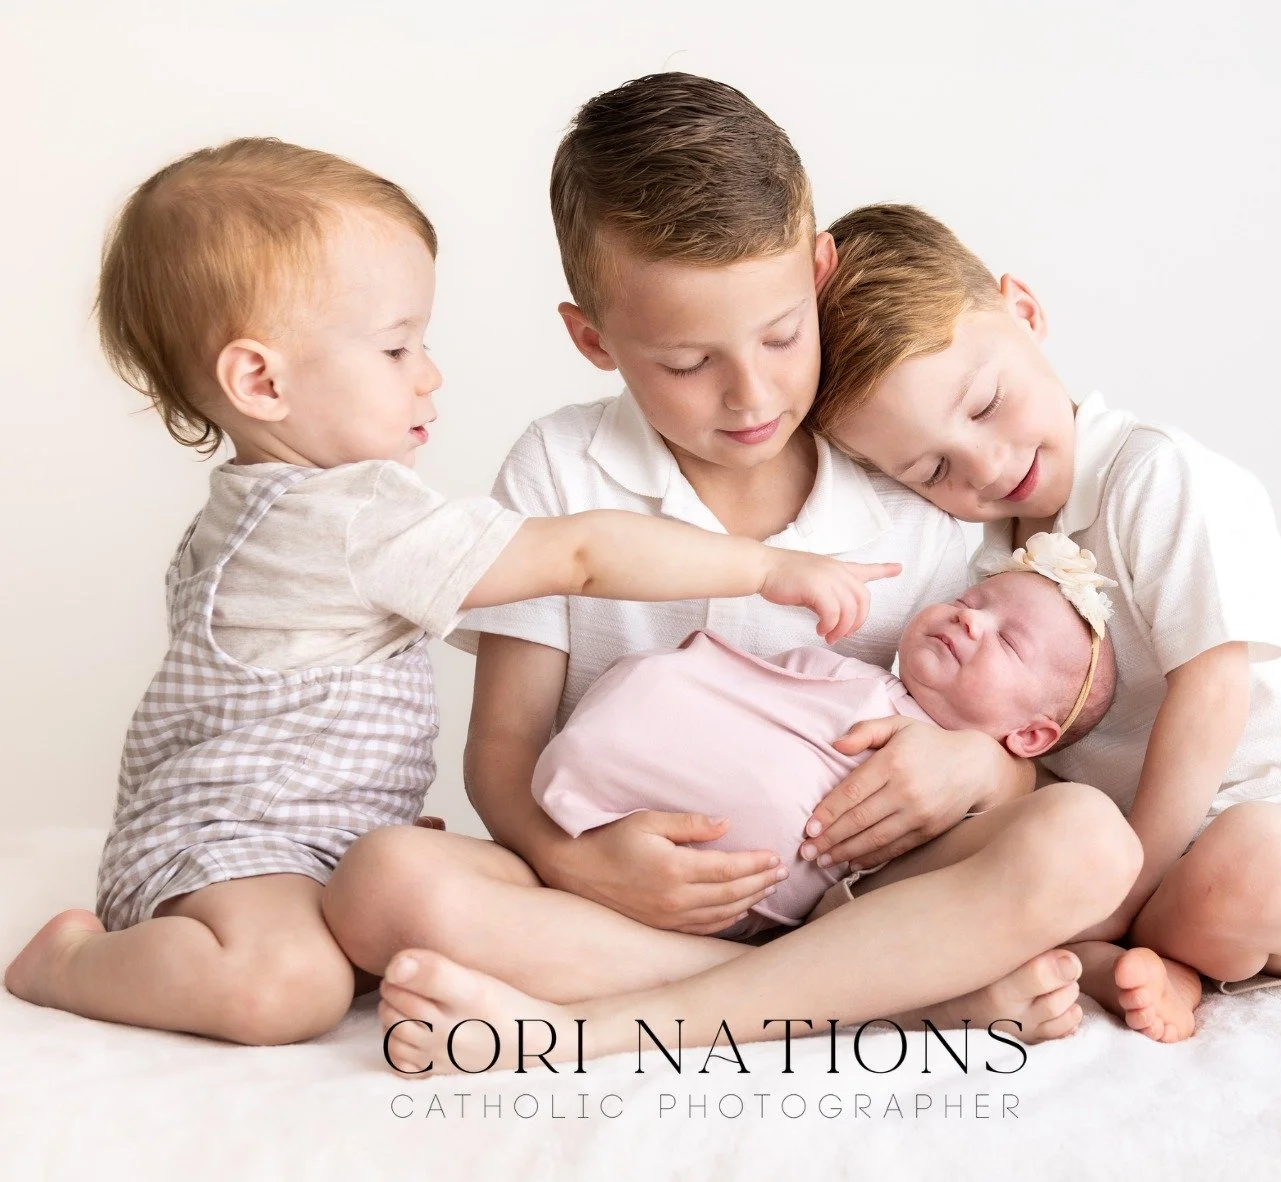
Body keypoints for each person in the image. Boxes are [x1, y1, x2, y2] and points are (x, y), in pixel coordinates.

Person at [323, 75, 1143, 1074]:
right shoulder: (560, 467)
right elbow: (502, 751)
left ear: (820, 269)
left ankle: (607, 1029)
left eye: (783, 335)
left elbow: (1013, 717)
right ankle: (903, 994)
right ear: (593, 339)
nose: (751, 393)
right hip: (632, 904)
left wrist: (978, 770)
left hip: (861, 892)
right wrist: (570, 858)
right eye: (685, 362)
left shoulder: (903, 468)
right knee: (378, 883)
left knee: (1087, 841)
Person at [1, 138, 894, 1045]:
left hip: (299, 837)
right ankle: (71, 964)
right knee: (289, 987)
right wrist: (764, 568)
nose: (428, 374)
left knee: (395, 904)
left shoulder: (258, 510)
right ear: (260, 380)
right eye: (395, 348)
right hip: (232, 845)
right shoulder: (346, 517)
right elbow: (581, 554)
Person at [807, 202, 1281, 1042]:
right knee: (1004, 889)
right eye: (932, 467)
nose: (985, 465)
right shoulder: (978, 567)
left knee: (1253, 866)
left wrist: (1120, 894)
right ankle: (1157, 957)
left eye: (984, 407)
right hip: (1126, 860)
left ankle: (1126, 940)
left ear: (1024, 312)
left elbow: (1214, 692)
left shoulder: (1148, 474)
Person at [534, 541, 1117, 937]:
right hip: (614, 816)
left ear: (1032, 734)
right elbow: (752, 690)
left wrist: (982, 773)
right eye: (968, 602)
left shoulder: (974, 810)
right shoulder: (850, 675)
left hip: (764, 912)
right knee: (657, 685)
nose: (970, 620)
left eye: (1009, 643)